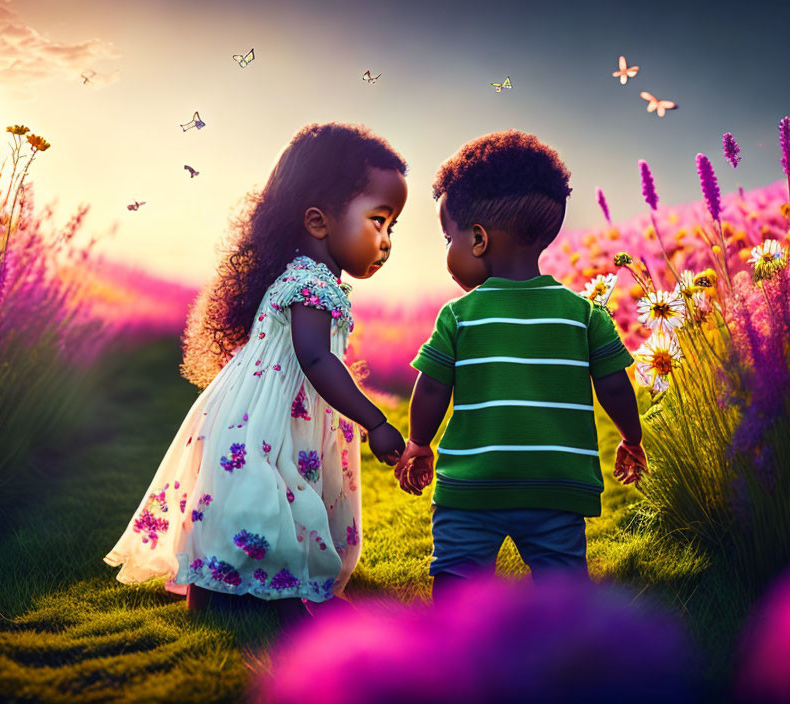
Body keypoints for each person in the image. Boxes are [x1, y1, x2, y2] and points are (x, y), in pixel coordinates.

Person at [104, 122, 408, 626]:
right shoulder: (311, 283)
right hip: (268, 424)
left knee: (253, 500)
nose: (386, 240)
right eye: (378, 220)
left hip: (252, 414)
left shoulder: (300, 275)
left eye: (391, 226)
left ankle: (220, 594)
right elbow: (315, 360)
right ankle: (287, 598)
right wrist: (375, 420)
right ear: (318, 221)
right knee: (277, 499)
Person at [393, 129, 648, 601]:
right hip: (556, 487)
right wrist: (630, 438)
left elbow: (431, 389)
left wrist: (419, 443)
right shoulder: (584, 315)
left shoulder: (458, 316)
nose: (446, 250)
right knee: (563, 590)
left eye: (447, 237)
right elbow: (614, 386)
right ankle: (563, 661)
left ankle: (459, 658)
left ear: (478, 238)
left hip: (471, 489)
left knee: (458, 586)